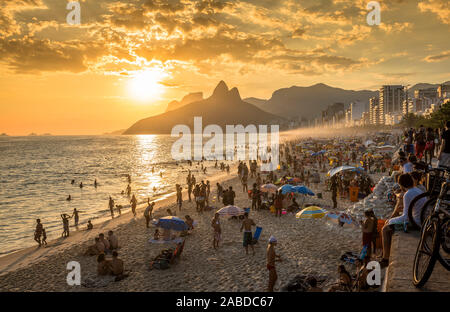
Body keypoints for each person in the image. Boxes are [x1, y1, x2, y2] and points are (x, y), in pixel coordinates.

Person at [379, 174, 427, 267]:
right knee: (389, 224)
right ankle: (384, 255)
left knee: (385, 229)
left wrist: (390, 220)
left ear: (401, 184)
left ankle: (385, 259)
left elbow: (406, 217)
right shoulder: (418, 190)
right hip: (421, 220)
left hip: (415, 223)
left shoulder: (408, 194)